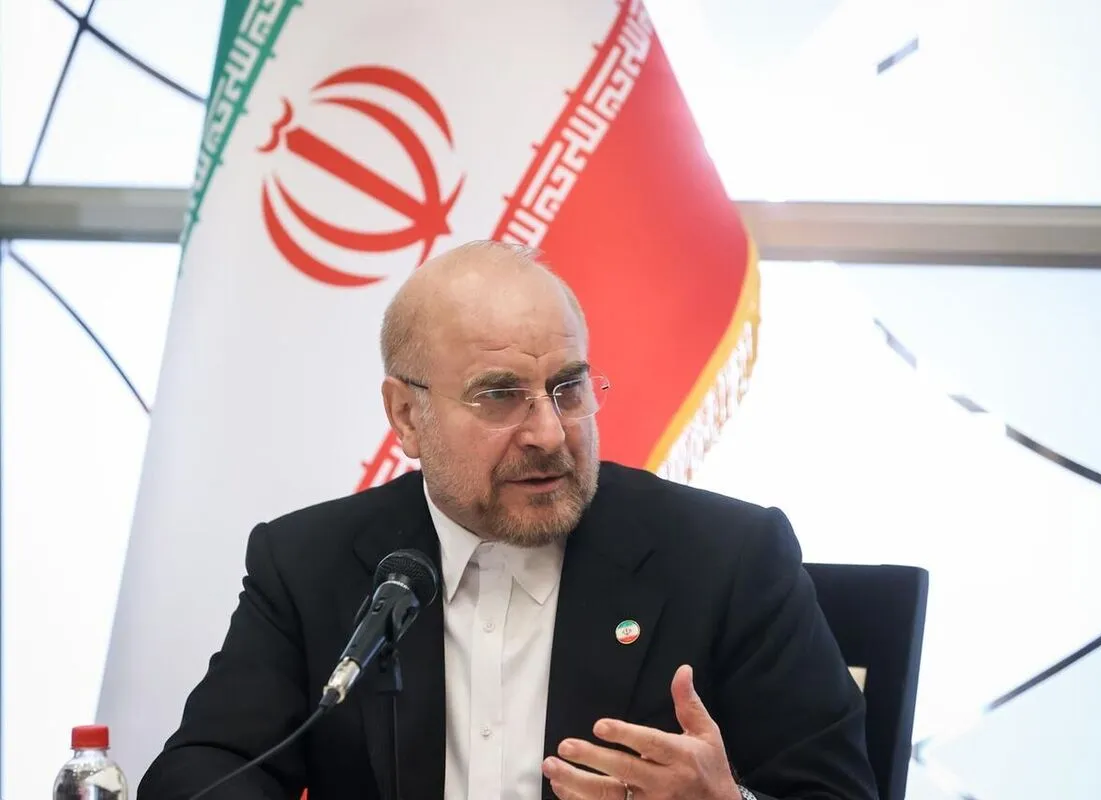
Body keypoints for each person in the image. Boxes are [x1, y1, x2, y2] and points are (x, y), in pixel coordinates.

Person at [139, 240, 878, 800]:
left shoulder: (727, 559)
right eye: (499, 396)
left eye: (568, 388)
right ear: (407, 415)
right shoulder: (310, 563)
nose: (549, 433)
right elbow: (204, 771)